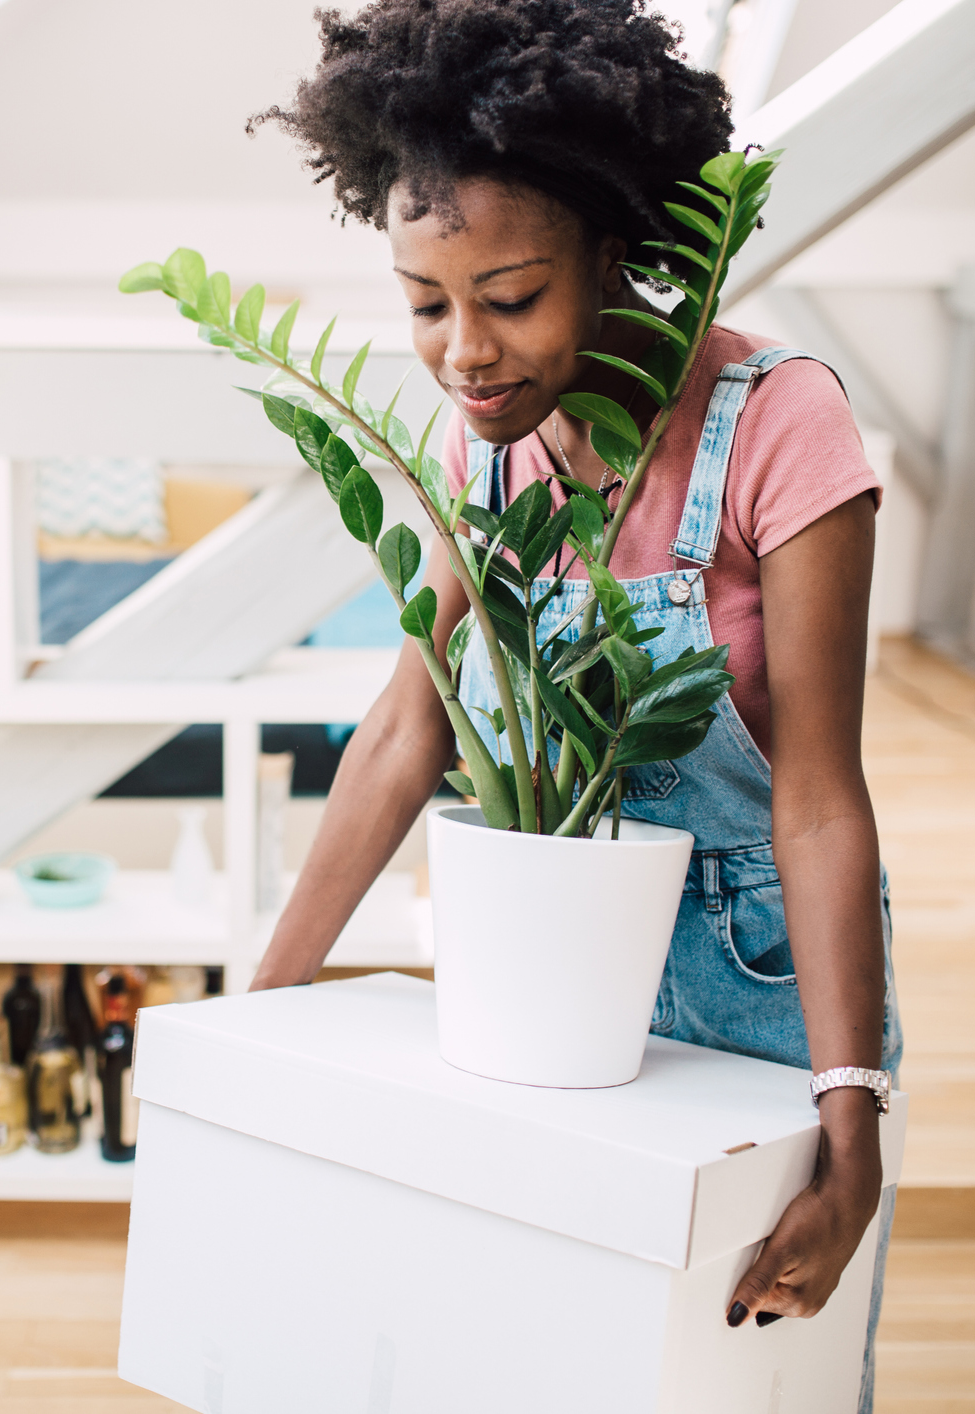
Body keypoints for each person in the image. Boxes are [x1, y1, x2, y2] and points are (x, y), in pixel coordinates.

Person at [247, 2, 903, 1407]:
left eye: (509, 297)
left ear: (619, 252)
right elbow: (406, 726)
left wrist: (849, 1133)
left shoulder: (780, 424)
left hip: (754, 988)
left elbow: (819, 794)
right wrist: (259, 1005)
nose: (464, 355)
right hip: (535, 989)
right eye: (427, 304)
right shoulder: (491, 447)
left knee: (743, 1384)